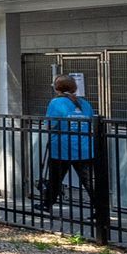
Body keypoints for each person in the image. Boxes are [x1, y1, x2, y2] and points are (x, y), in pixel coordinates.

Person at [40, 74, 96, 211]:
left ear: (57, 88)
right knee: (89, 181)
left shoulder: (56, 103)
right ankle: (100, 209)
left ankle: (47, 204)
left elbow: (51, 124)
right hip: (84, 147)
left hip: (62, 147)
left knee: (55, 178)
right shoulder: (84, 103)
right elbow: (91, 122)